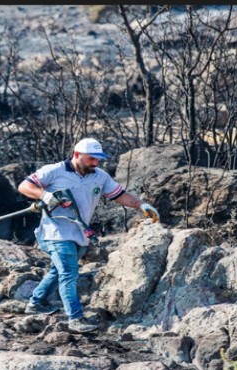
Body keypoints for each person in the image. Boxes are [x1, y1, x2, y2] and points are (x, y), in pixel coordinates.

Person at [18, 138, 160, 333]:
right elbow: (24, 186)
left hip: (79, 232)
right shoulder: (54, 171)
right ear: (77, 155)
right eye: (91, 159)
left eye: (98, 159)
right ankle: (75, 318)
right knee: (69, 272)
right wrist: (44, 195)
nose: (95, 163)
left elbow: (119, 194)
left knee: (59, 270)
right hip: (55, 231)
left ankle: (35, 303)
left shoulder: (99, 176)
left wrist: (141, 205)